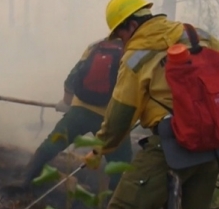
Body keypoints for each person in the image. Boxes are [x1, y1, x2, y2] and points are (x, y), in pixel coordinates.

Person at [83, 0, 219, 209]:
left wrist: (99, 148)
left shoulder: (136, 55)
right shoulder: (194, 33)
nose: (122, 43)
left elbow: (120, 114)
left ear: (131, 26)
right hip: (213, 146)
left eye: (120, 36)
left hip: (174, 147)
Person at [19, 35, 134, 193]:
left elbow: (71, 79)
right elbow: (135, 84)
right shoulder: (133, 52)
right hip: (110, 117)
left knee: (51, 143)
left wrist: (66, 103)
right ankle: (114, 205)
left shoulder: (95, 46)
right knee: (121, 163)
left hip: (79, 111)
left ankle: (24, 180)